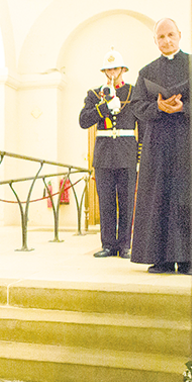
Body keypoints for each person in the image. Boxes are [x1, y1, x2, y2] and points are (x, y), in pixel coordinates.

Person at [130, 18, 192, 274]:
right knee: (160, 196)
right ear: (154, 41)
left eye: (170, 35)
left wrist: (184, 107)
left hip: (186, 140)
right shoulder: (146, 71)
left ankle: (188, 259)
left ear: (179, 35)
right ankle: (162, 259)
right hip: (157, 144)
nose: (166, 41)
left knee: (185, 196)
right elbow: (136, 106)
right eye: (161, 37)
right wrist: (158, 106)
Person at [78, 49, 138, 258]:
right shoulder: (95, 94)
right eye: (108, 69)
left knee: (127, 201)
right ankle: (108, 244)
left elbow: (143, 124)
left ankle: (125, 245)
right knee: (106, 201)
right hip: (104, 154)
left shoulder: (133, 92)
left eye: (116, 68)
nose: (112, 72)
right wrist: (103, 108)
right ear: (104, 71)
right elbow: (83, 121)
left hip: (127, 152)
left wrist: (139, 157)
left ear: (123, 69)